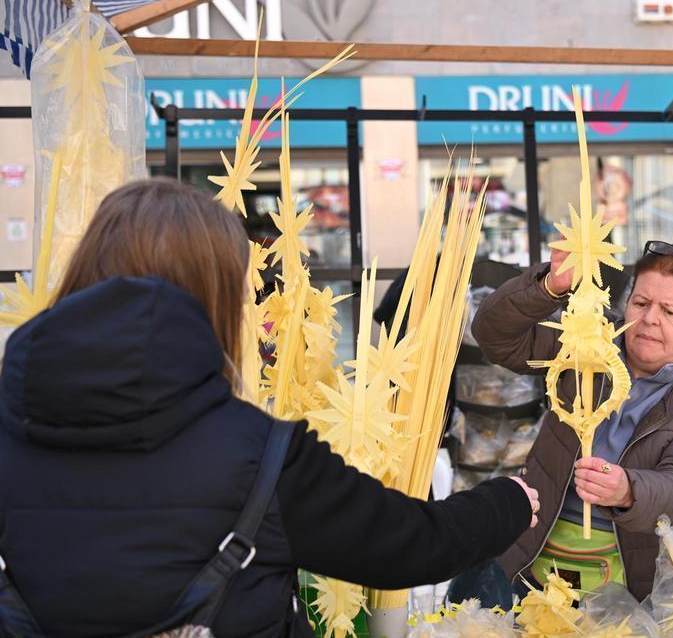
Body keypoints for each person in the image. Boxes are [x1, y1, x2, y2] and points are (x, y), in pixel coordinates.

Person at [0, 179, 539, 636]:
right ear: (216, 292)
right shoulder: (258, 451)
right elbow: (412, 545)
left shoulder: (11, 428)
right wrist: (510, 501)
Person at [471, 240, 673, 600]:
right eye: (641, 303)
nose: (650, 319)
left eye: (670, 312)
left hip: (631, 576)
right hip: (536, 553)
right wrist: (548, 287)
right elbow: (494, 336)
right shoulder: (587, 341)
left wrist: (628, 489)